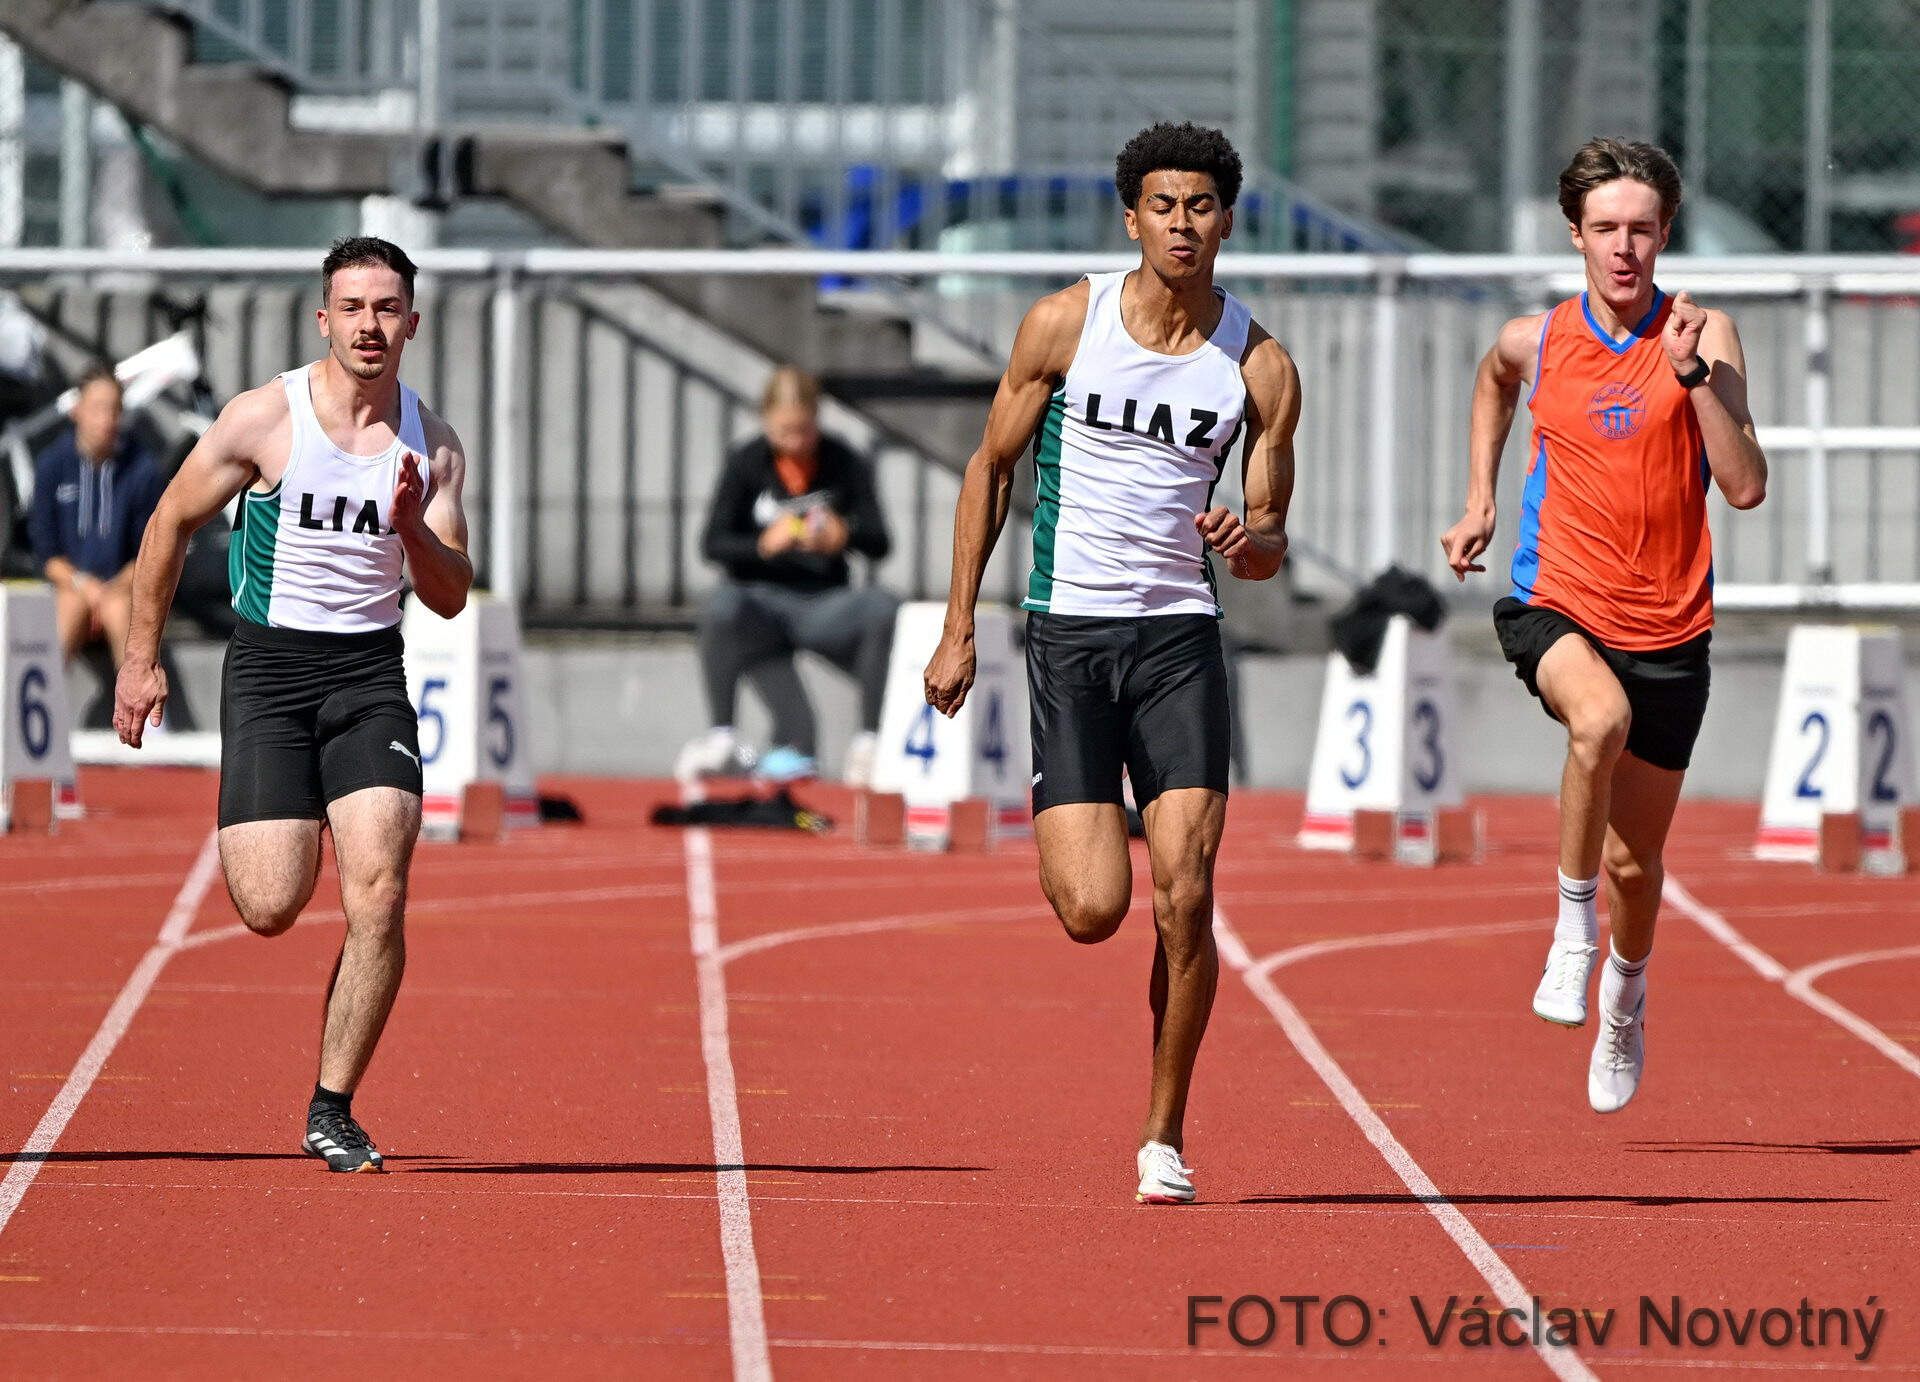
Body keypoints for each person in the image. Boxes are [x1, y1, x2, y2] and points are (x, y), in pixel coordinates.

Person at [924, 122, 1299, 1204]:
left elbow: (1271, 537)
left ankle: (1163, 1132)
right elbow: (990, 470)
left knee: (1187, 894)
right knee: (1094, 907)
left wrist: (1251, 540)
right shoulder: (1065, 323)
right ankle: (1085, 814)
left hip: (1180, 637)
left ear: (1228, 220)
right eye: (1165, 206)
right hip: (1071, 636)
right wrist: (961, 626)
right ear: (1132, 217)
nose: (1184, 225)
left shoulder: (1261, 368)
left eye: (1203, 207)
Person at [114, 236, 474, 1172]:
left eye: (387, 308)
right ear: (324, 319)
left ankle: (333, 1105)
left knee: (382, 893)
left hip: (368, 678)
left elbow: (450, 591)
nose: (369, 325)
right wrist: (139, 662)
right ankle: (293, 799)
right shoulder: (265, 418)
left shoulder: (431, 446)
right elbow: (169, 524)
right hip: (270, 674)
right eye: (353, 308)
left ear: (412, 324)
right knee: (271, 904)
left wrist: (407, 529)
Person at [1439, 137, 1766, 1113]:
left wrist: (1695, 380)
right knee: (1597, 721)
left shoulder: (1707, 338)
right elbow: (1494, 381)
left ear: (1667, 234)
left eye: (1643, 229)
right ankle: (1570, 930)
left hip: (1670, 624)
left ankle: (1625, 984)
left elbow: (1745, 487)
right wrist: (1479, 500)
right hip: (1557, 598)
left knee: (1639, 858)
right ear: (1575, 234)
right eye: (1607, 229)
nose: (1625, 248)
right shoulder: (1534, 339)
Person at [677, 366, 898, 786]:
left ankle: (870, 741)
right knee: (719, 604)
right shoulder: (746, 462)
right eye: (784, 432)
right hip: (761, 603)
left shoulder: (844, 460)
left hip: (823, 604)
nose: (795, 442)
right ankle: (722, 736)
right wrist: (764, 544)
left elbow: (880, 541)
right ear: (765, 421)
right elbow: (712, 543)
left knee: (882, 608)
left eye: (804, 431)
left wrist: (843, 534)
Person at [27, 365, 165, 666]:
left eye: (114, 409)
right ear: (77, 410)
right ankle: (42, 708)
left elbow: (149, 552)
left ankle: (148, 710)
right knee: (69, 608)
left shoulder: (141, 469)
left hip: (121, 591)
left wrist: (108, 591)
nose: (106, 419)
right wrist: (84, 586)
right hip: (71, 587)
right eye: (97, 408)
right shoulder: (52, 465)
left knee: (122, 613)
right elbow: (46, 554)